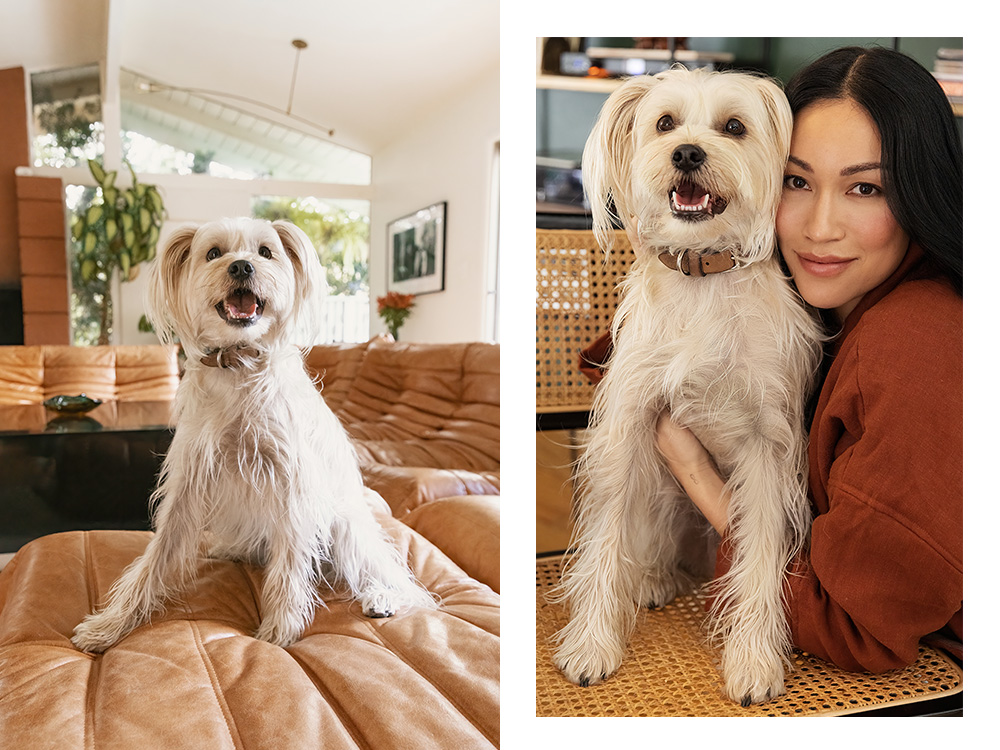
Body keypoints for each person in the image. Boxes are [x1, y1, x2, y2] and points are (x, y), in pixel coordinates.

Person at [651, 46, 962, 672]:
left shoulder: (916, 342)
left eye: (865, 188)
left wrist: (694, 471)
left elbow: (852, 627)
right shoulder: (820, 303)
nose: (820, 227)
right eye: (796, 181)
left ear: (920, 194)